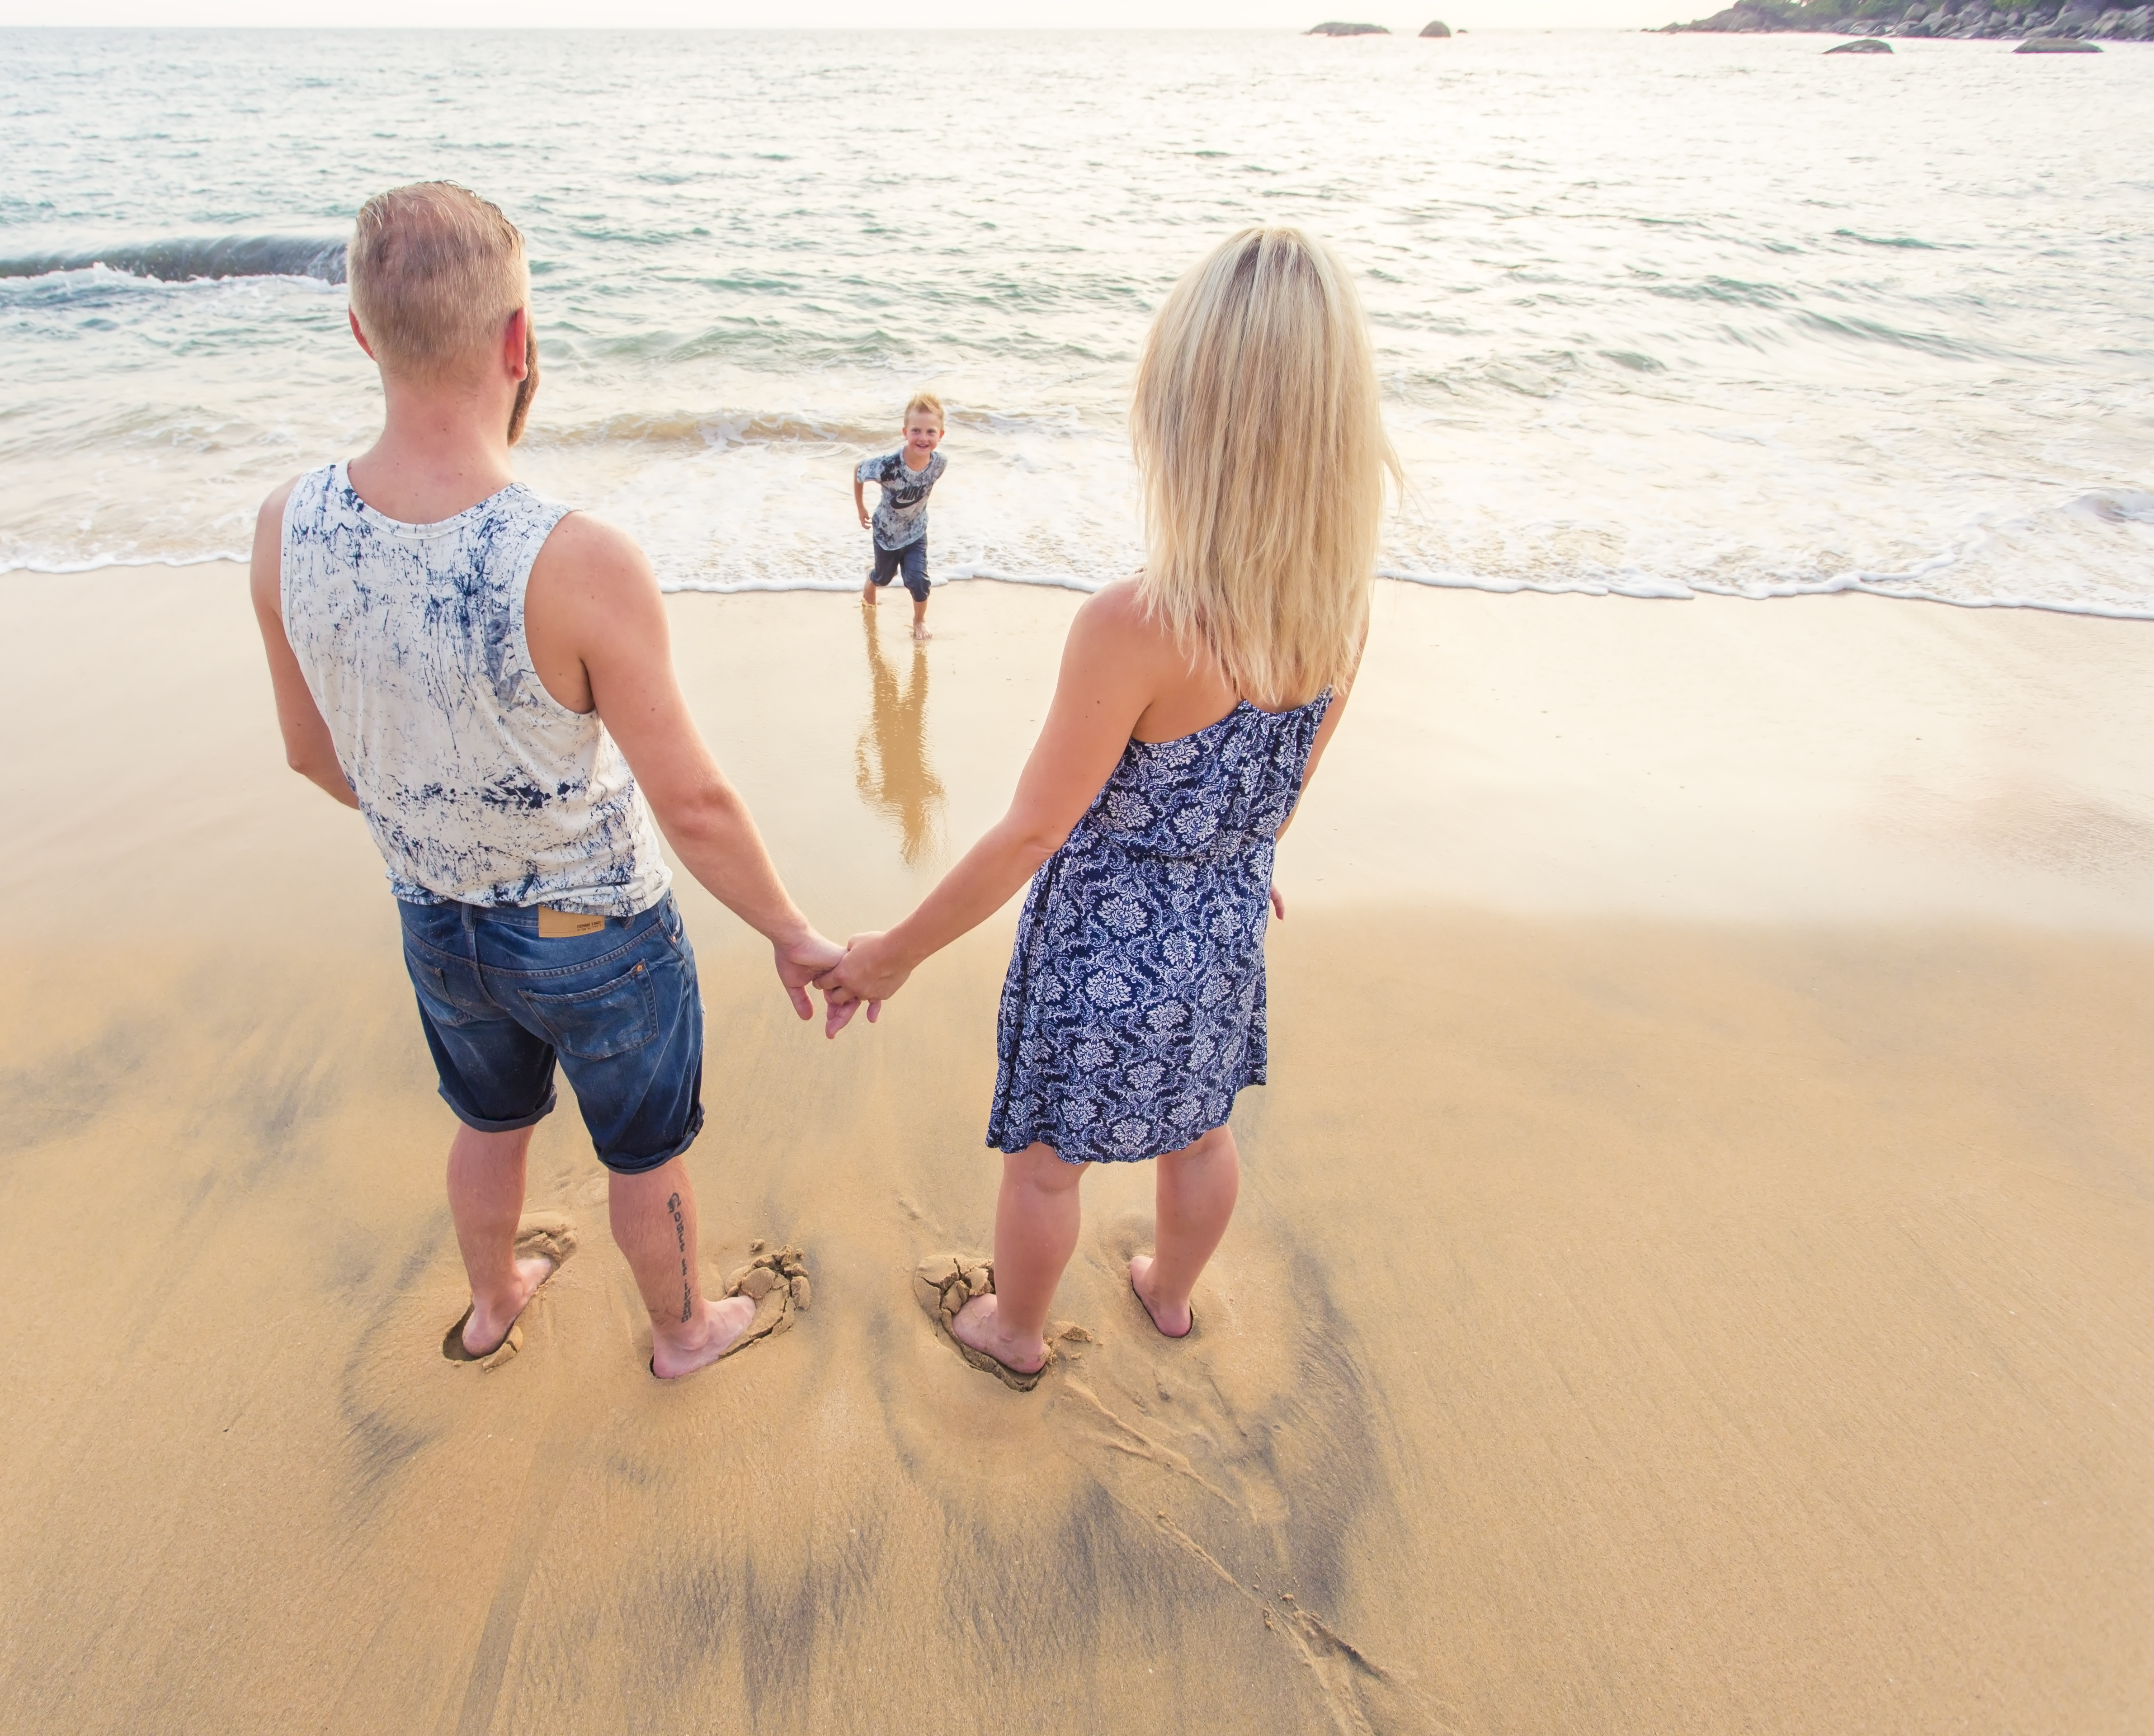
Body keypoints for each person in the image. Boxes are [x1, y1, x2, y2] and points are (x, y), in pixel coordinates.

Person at [248, 182, 848, 1381]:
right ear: (519, 344)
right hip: (596, 929)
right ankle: (684, 1331)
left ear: (362, 334)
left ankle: (492, 1300)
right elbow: (693, 805)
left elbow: (314, 756)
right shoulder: (577, 559)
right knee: (643, 1151)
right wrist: (789, 931)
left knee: (488, 1123)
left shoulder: (286, 527)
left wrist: (444, 819)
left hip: (436, 923)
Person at [822, 227, 1394, 1382]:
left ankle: (1012, 1330)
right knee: (1200, 1128)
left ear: (1180, 426)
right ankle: (1169, 1295)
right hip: (1225, 926)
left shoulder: (1137, 626)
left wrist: (893, 952)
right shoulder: (1340, 615)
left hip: (1096, 944)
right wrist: (1240, 851)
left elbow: (1033, 830)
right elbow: (1288, 781)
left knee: (1043, 1162)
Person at [852, 394, 948, 642]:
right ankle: (871, 580)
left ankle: (919, 620)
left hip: (917, 533)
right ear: (906, 432)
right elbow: (859, 470)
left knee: (917, 580)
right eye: (916, 431)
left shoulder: (939, 464)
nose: (923, 438)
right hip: (886, 534)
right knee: (885, 577)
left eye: (931, 432)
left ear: (941, 435)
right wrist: (861, 508)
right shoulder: (889, 466)